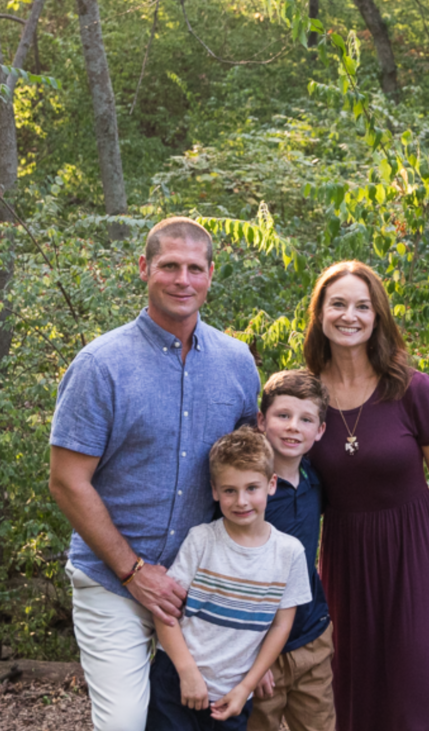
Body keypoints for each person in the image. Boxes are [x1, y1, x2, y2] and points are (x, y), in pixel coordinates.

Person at [48, 217, 261, 731]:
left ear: (211, 275)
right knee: (123, 722)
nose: (181, 279)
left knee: (201, 717)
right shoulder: (101, 364)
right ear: (144, 268)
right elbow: (66, 481)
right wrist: (133, 570)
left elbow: (247, 480)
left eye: (194, 268)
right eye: (169, 266)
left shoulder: (237, 364)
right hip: (112, 578)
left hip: (200, 582)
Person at [304, 260, 429, 731]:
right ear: (320, 314)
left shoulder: (412, 389)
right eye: (337, 304)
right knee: (351, 696)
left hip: (417, 555)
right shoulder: (306, 399)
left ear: (378, 316)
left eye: (362, 306)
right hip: (344, 560)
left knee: (412, 696)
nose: (349, 316)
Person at [146, 427, 311, 731]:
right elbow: (165, 610)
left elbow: (281, 625)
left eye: (252, 488)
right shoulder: (202, 540)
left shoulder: (289, 553)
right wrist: (187, 672)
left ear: (271, 484)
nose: (241, 501)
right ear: (214, 491)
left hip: (232, 692)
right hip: (176, 680)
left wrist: (246, 687)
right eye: (229, 490)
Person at [249, 369, 336, 731]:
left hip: (312, 638)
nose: (292, 427)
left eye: (305, 420)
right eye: (282, 416)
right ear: (261, 421)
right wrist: (252, 657)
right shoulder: (248, 493)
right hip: (259, 647)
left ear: (320, 431)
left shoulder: (317, 480)